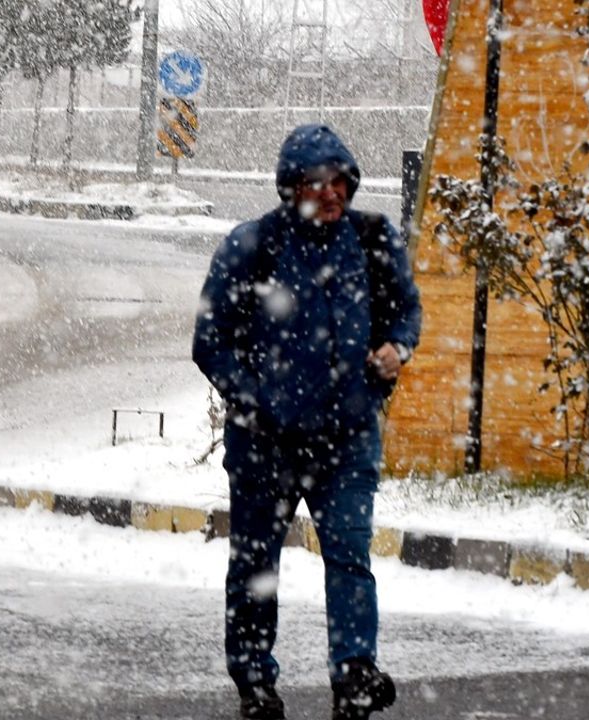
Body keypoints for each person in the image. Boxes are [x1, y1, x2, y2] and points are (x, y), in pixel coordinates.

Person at [192, 124, 422, 720]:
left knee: (349, 557)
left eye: (340, 182)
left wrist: (398, 347)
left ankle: (354, 676)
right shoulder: (252, 247)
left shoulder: (372, 241)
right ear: (291, 187)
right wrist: (256, 400)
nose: (333, 195)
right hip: (265, 447)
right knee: (255, 565)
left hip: (346, 440)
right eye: (319, 184)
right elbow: (209, 343)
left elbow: (406, 312)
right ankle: (255, 683)